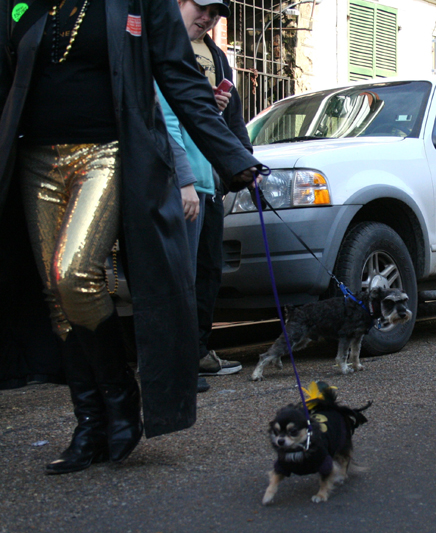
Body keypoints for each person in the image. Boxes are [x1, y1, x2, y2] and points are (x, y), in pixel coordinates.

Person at [1, 0, 262, 474]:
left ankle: (120, 394)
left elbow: (180, 78)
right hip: (34, 158)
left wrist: (233, 156)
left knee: (74, 274)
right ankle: (89, 424)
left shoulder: (140, 3)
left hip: (105, 151)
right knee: (56, 295)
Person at [160, 0, 250, 393]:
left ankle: (194, 353)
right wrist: (184, 181)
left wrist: (240, 165)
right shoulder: (162, 47)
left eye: (214, 14)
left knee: (205, 272)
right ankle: (176, 363)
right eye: (202, 8)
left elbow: (227, 120)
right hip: (181, 183)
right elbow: (166, 119)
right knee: (178, 278)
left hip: (206, 181)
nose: (208, 18)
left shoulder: (216, 56)